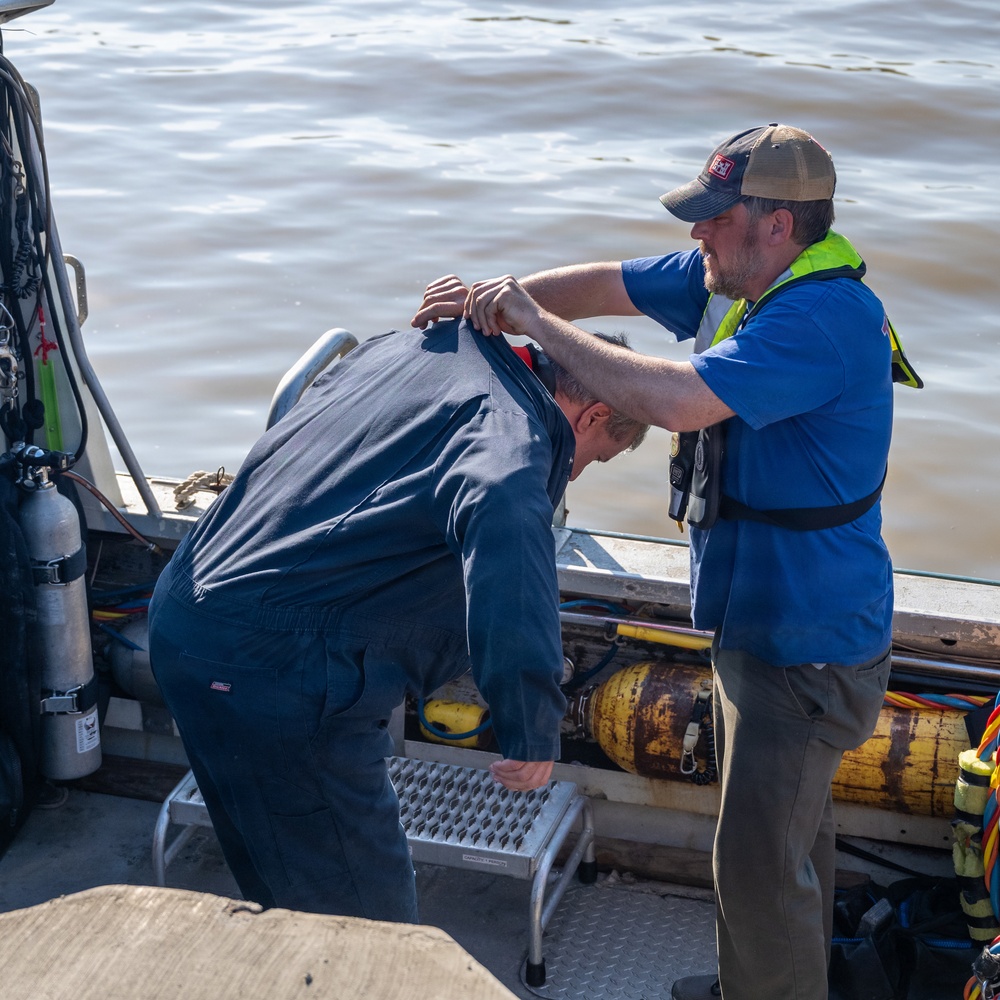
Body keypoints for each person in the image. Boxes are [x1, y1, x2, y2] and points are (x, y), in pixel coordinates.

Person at [412, 123, 921, 1000]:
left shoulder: (824, 316)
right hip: (757, 628)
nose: (697, 234)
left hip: (808, 647)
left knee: (759, 866)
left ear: (777, 223)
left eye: (715, 218)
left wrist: (536, 325)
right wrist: (494, 302)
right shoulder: (740, 278)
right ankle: (774, 980)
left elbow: (678, 401)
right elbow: (608, 281)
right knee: (784, 839)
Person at [147, 317, 646, 923]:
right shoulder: (512, 444)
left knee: (280, 876)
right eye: (593, 458)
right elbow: (510, 557)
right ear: (594, 415)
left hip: (187, 610)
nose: (572, 472)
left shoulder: (424, 341)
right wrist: (530, 724)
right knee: (364, 924)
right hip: (277, 672)